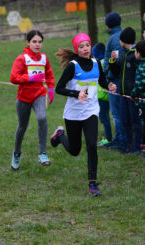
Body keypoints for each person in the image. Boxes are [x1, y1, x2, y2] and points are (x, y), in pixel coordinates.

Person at [51, 33, 109, 196]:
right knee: (75, 150)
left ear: (91, 46)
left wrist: (109, 86)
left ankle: (92, 184)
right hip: (74, 113)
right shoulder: (73, 66)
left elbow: (101, 81)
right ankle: (60, 135)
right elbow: (59, 88)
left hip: (91, 110)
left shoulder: (97, 63)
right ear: (77, 49)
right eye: (81, 46)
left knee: (91, 145)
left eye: (87, 45)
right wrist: (77, 94)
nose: (85, 49)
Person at [10, 30, 55, 170]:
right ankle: (16, 153)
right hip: (24, 98)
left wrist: (51, 89)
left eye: (40, 42)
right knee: (22, 126)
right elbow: (13, 78)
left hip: (39, 94)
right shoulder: (22, 59)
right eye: (34, 41)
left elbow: (49, 74)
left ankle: (42, 153)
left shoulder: (44, 58)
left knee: (42, 118)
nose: (37, 44)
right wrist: (29, 78)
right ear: (28, 42)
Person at [109, 27, 142, 153]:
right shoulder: (122, 54)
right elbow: (116, 72)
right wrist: (112, 61)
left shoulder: (135, 55)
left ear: (123, 40)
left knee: (135, 121)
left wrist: (135, 92)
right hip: (122, 94)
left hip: (133, 95)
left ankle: (137, 146)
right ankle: (128, 145)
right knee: (125, 120)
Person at [103, 11, 127, 151]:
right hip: (121, 79)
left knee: (117, 112)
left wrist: (109, 77)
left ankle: (121, 139)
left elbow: (116, 62)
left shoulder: (114, 39)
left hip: (115, 80)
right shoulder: (121, 35)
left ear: (108, 25)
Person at [92, 42, 112, 147]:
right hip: (105, 95)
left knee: (104, 117)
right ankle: (107, 137)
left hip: (102, 95)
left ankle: (108, 138)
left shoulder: (100, 64)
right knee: (105, 117)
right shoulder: (106, 62)